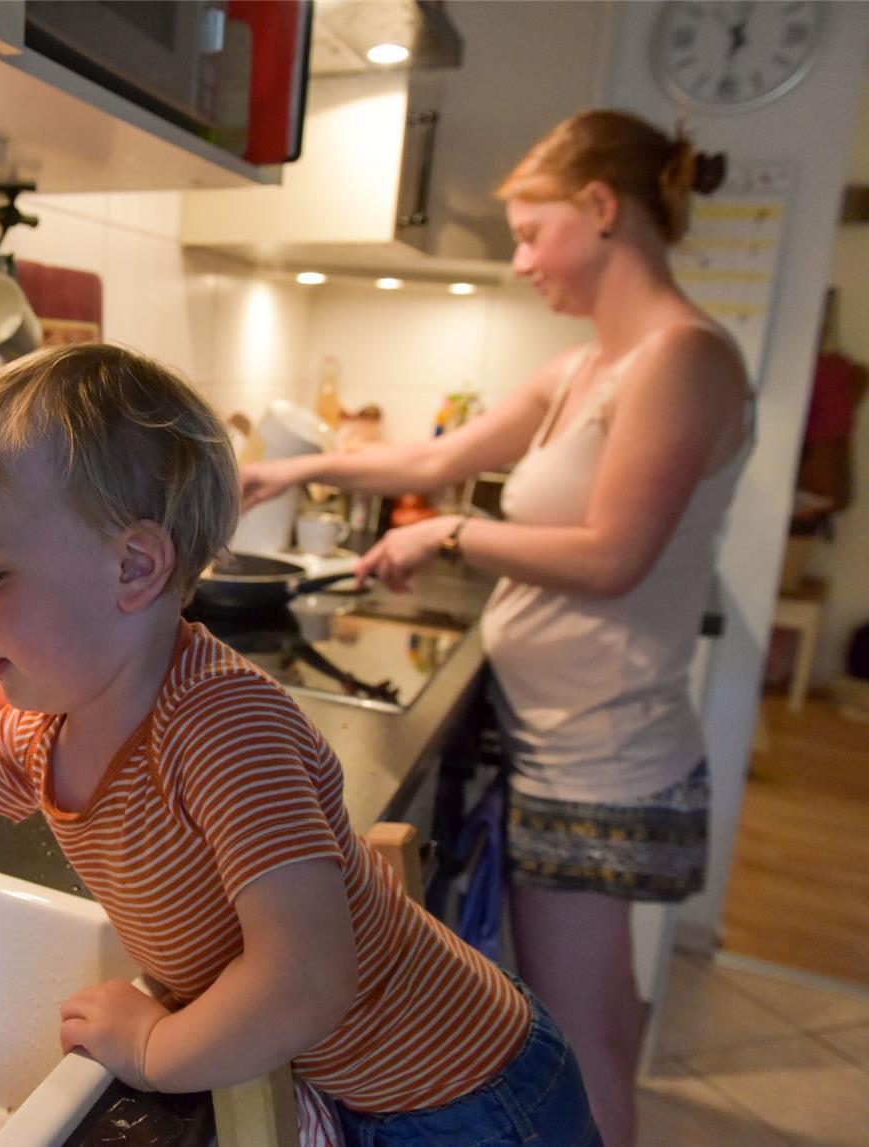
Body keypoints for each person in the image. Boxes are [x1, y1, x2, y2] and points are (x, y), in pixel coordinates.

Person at [0, 341, 601, 1145]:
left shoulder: (226, 731)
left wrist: (153, 1046)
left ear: (134, 565)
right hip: (380, 1091)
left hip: (469, 1097)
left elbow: (307, 978)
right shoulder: (44, 732)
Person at [240, 110, 749, 1147]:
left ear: (601, 209)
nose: (519, 259)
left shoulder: (682, 358)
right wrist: (298, 466)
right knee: (579, 1013)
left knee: (584, 1028)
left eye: (530, 230)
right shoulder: (586, 368)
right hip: (564, 734)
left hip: (599, 752)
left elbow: (613, 554)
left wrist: (455, 539)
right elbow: (431, 463)